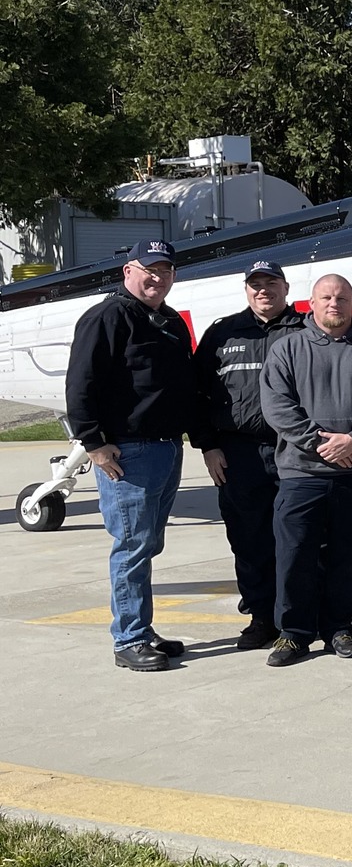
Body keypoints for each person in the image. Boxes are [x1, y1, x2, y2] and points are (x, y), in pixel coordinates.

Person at [258, 274, 352, 665]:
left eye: (341, 298)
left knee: (348, 557)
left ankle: (339, 628)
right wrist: (321, 444)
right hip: (301, 474)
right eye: (326, 297)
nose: (333, 304)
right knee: (294, 555)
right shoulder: (287, 349)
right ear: (312, 302)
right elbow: (277, 407)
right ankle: (293, 634)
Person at [65, 238, 196, 673]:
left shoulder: (169, 320)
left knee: (148, 544)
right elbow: (80, 384)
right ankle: (129, 639)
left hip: (166, 447)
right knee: (132, 547)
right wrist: (93, 444)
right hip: (128, 453)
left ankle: (142, 628)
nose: (158, 278)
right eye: (149, 269)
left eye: (166, 270)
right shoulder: (106, 317)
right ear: (128, 271)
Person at [191, 259, 303, 650]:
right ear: (246, 290)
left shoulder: (308, 330)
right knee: (248, 539)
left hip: (296, 450)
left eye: (271, 283)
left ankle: (302, 617)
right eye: (256, 284)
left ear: (286, 288)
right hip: (238, 454)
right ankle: (261, 618)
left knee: (303, 538)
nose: (263, 290)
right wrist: (208, 445)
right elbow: (196, 393)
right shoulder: (223, 333)